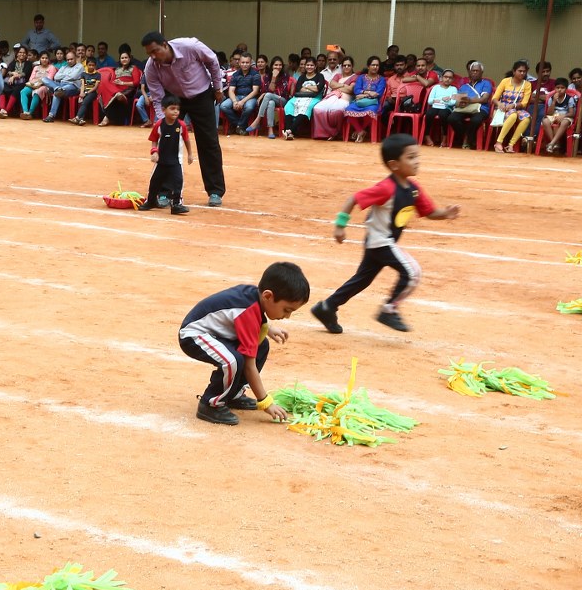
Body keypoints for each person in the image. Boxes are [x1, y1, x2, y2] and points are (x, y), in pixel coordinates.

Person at [309, 134, 461, 336]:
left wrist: (445, 214)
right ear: (394, 164)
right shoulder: (386, 188)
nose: (417, 161)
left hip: (380, 242)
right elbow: (354, 198)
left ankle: (327, 307)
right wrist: (340, 225)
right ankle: (389, 309)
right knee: (413, 272)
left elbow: (429, 212)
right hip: (380, 242)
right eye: (411, 157)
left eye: (417, 156)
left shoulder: (413, 189)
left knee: (362, 279)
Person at [178, 262, 306, 426]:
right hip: (194, 334)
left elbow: (250, 316)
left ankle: (233, 395)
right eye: (286, 310)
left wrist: (268, 328)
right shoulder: (248, 312)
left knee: (262, 346)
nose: (287, 316)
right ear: (267, 296)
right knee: (233, 361)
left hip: (215, 334)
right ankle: (211, 404)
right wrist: (265, 402)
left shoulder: (256, 298)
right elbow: (249, 365)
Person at [141, 31, 227, 205]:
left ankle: (215, 191)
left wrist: (217, 88)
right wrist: (163, 121)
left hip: (202, 95)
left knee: (209, 143)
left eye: (155, 51)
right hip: (175, 99)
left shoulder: (190, 46)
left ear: (165, 44)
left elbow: (212, 61)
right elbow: (158, 98)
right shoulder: (151, 67)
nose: (153, 56)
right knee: (167, 142)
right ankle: (165, 192)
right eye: (149, 53)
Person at [141, 95, 194, 215]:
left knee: (178, 182)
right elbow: (154, 139)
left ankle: (176, 204)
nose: (176, 111)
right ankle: (151, 201)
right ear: (164, 110)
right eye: (172, 108)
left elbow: (186, 140)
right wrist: (154, 151)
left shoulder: (181, 125)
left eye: (178, 109)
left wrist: (190, 154)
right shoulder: (159, 125)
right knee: (154, 181)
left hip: (176, 161)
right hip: (161, 161)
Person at [490, 59, 534, 152]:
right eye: (520, 71)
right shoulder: (505, 81)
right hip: (503, 109)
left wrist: (513, 106)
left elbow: (524, 103)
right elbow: (494, 98)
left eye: (524, 71)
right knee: (513, 115)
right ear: (514, 71)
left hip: (517, 108)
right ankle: (498, 143)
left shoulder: (527, 84)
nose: (522, 73)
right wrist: (499, 104)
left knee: (527, 118)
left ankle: (511, 145)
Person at [446, 61, 491, 148]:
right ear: (469, 72)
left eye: (477, 71)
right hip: (465, 108)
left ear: (481, 72)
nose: (474, 72)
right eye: (473, 70)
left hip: (481, 108)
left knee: (475, 120)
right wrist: (457, 101)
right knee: (452, 118)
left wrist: (469, 100)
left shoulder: (486, 83)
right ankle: (466, 137)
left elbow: (484, 99)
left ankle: (467, 139)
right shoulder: (464, 86)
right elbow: (459, 100)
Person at [245, 56, 291, 136]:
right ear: (272, 66)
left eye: (280, 65)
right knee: (270, 103)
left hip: (282, 100)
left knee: (268, 95)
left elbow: (280, 92)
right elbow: (268, 90)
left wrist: (266, 93)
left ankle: (257, 120)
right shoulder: (267, 76)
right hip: (270, 99)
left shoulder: (285, 76)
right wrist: (273, 77)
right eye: (276, 65)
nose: (278, 67)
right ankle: (270, 131)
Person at [282, 57, 324, 139]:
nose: (309, 67)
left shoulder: (320, 76)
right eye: (307, 65)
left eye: (311, 65)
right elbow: (299, 88)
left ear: (315, 66)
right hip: (299, 97)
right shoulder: (302, 77)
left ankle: (289, 131)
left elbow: (318, 89)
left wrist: (306, 87)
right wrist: (312, 87)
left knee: (305, 107)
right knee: (289, 105)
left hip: (314, 98)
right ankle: (289, 131)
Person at [219, 54, 261, 133]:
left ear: (251, 62)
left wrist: (242, 101)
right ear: (240, 63)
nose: (245, 64)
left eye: (247, 62)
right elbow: (231, 90)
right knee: (223, 106)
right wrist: (235, 101)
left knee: (249, 107)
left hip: (250, 97)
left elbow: (255, 91)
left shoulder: (255, 74)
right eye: (243, 62)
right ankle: (240, 125)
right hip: (237, 96)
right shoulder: (235, 74)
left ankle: (239, 126)